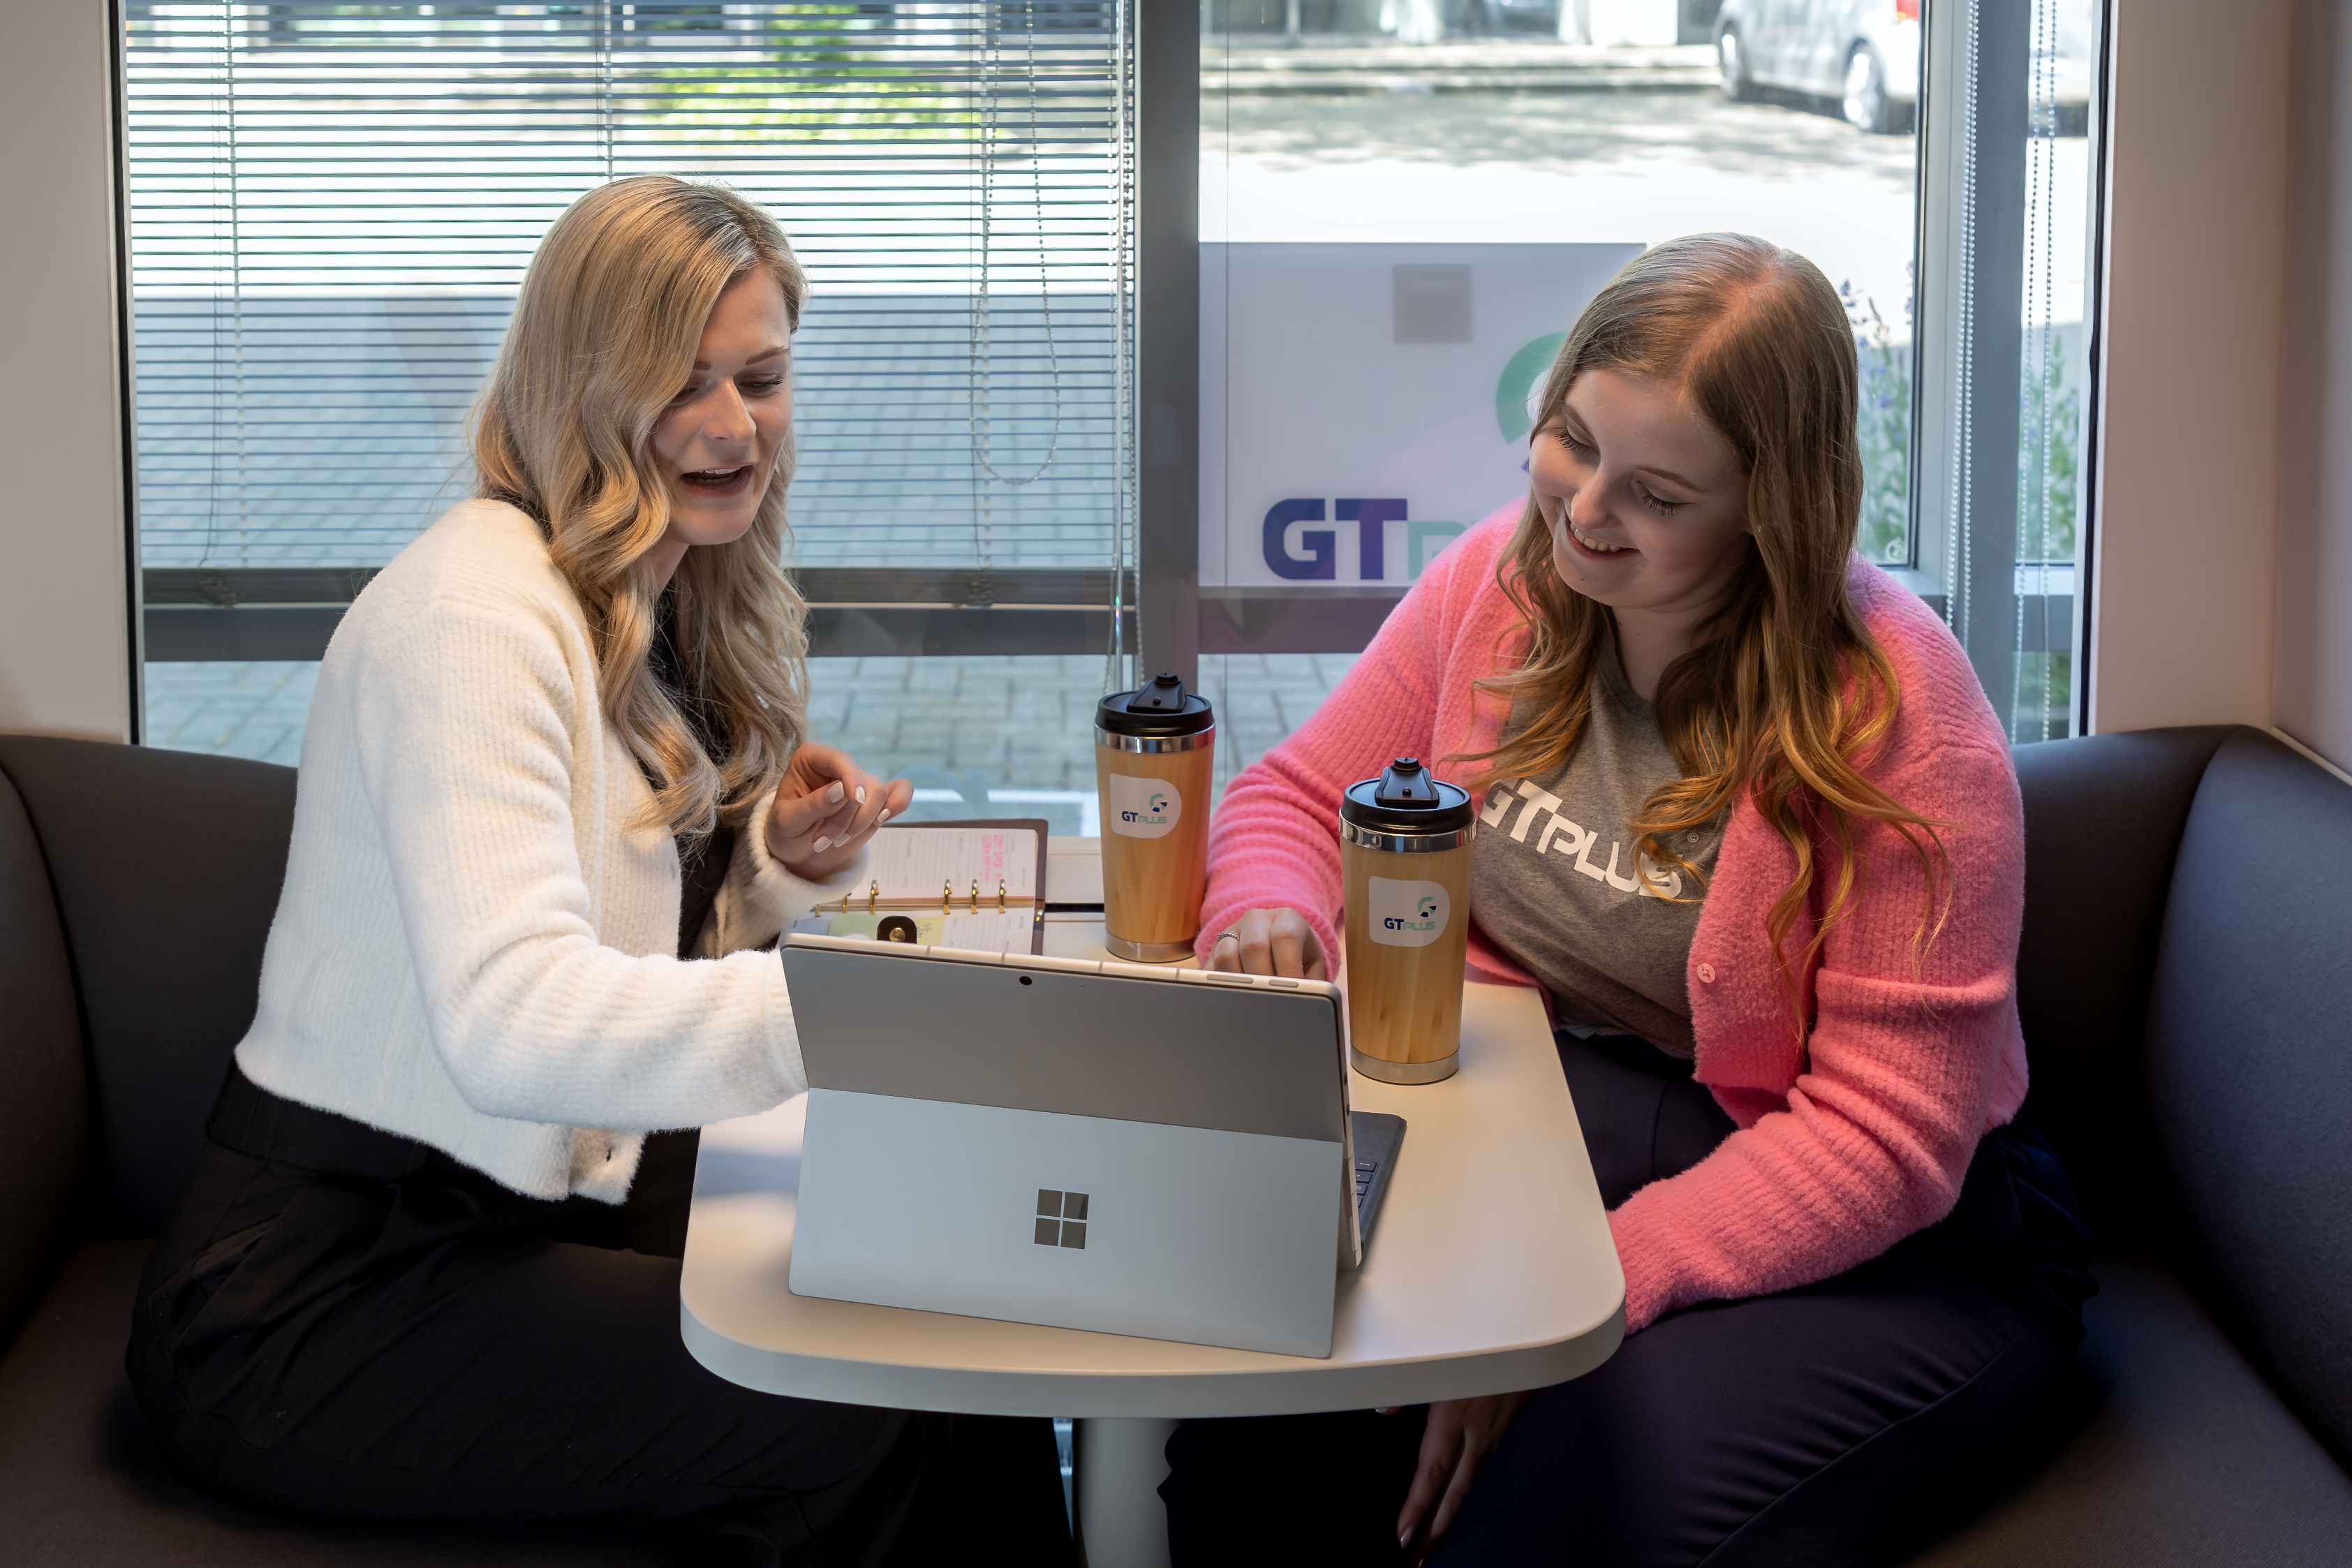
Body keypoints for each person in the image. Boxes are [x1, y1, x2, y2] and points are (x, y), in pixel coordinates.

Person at [126, 176, 1075, 1568]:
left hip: (520, 1212)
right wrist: (856, 1011)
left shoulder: (634, 587)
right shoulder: (472, 618)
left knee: (948, 1321)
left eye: (759, 377)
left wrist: (761, 865)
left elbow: (622, 924)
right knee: (848, 1409)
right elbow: (516, 1017)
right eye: (680, 381)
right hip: (322, 1294)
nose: (733, 423)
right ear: (581, 383)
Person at [1164, 234, 2092, 1567]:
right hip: (1568, 1122)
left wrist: (1568, 1292)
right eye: (1571, 441)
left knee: (1557, 1498)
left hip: (1914, 1240)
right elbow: (1302, 803)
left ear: (1769, 516)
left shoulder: (1901, 721)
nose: (1585, 509)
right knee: (1259, 1423)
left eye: (1656, 493)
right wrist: (1271, 918)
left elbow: (1888, 1137)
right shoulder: (1502, 583)